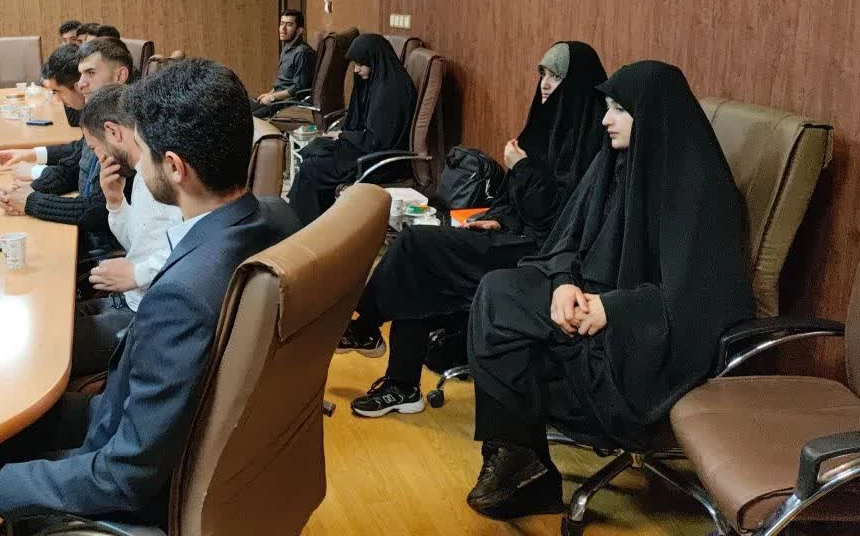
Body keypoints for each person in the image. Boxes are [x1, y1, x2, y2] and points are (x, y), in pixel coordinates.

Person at [0, 59, 299, 536]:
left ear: (174, 167)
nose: (137, 164)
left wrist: (6, 491)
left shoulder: (183, 297)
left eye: (145, 153)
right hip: (121, 419)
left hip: (117, 471)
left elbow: (127, 473)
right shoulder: (270, 218)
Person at [463, 61, 753, 520]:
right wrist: (563, 283)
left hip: (641, 336)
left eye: (619, 109)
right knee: (497, 291)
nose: (605, 120)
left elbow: (704, 302)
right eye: (607, 107)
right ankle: (519, 459)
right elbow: (568, 238)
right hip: (588, 301)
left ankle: (523, 467)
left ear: (651, 116)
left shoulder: (700, 189)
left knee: (501, 313)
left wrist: (613, 308)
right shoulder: (614, 163)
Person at [342, 42, 608, 418]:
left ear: (577, 83)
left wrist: (522, 167)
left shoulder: (594, 142)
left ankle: (369, 330)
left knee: (417, 245)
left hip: (544, 257)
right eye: (543, 74)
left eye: (557, 76)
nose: (546, 84)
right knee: (418, 261)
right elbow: (513, 200)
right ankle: (399, 381)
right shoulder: (545, 124)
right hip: (513, 237)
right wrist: (499, 217)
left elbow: (560, 220)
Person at [73, 83, 183, 377]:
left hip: (144, 312)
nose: (98, 157)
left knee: (51, 347)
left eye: (95, 148)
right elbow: (139, 241)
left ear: (113, 131)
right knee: (56, 321)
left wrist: (136, 274)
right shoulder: (139, 172)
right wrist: (116, 202)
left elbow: (189, 249)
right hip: (128, 297)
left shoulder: (161, 174)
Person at [0, 38, 135, 241]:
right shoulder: (99, 115)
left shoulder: (124, 129)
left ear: (120, 75)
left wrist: (32, 201)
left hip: (105, 245)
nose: (81, 83)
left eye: (91, 73)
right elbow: (72, 168)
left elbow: (98, 211)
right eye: (81, 74)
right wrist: (26, 191)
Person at [287, 33, 416, 225]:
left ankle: (306, 227)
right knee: (315, 149)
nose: (356, 70)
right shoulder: (379, 80)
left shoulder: (391, 92)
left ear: (374, 60)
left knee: (311, 168)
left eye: (360, 64)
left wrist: (344, 135)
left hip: (381, 160)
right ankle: (320, 222)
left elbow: (378, 140)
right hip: (367, 148)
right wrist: (344, 135)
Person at [253, 9, 316, 118]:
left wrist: (272, 97)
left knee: (249, 119)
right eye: (282, 23)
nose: (283, 29)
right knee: (241, 108)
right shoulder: (287, 48)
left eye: (289, 25)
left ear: (299, 30)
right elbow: (282, 81)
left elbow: (298, 89)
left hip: (287, 104)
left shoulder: (302, 53)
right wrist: (270, 94)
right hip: (277, 99)